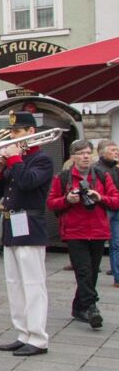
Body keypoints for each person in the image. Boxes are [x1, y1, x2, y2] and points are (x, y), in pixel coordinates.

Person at [0, 111, 55, 357]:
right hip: (12, 224)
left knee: (32, 283)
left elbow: (28, 182)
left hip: (30, 224)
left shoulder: (42, 159)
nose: (12, 136)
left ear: (31, 132)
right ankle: (22, 333)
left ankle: (38, 338)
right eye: (11, 132)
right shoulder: (17, 160)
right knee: (14, 283)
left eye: (17, 132)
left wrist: (14, 159)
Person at [48, 139, 119, 329]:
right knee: (84, 271)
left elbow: (116, 200)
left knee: (92, 273)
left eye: (88, 153)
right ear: (73, 157)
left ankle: (79, 307)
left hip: (98, 231)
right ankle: (92, 307)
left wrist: (100, 197)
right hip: (74, 232)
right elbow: (51, 203)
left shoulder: (102, 175)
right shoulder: (62, 177)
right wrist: (67, 199)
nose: (86, 156)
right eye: (81, 153)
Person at [100, 140, 119, 285]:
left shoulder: (116, 168)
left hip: (116, 209)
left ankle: (117, 277)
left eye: (117, 150)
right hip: (104, 209)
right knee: (97, 242)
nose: (116, 152)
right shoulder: (97, 169)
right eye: (113, 150)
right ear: (103, 152)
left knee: (116, 244)